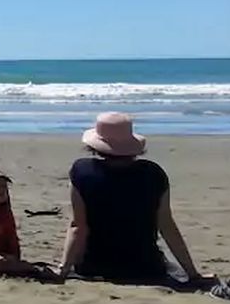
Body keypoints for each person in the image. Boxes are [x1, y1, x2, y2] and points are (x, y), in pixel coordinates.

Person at [57, 112, 203, 284]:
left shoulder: (82, 171)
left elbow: (78, 227)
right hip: (146, 267)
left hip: (94, 265)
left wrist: (63, 269)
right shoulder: (153, 174)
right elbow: (166, 225)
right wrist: (192, 273)